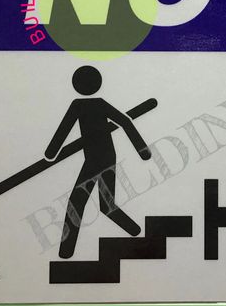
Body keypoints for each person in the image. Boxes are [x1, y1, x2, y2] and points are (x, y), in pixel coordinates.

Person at [44, 66, 152, 259]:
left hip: (96, 159)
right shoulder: (95, 104)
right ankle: (134, 230)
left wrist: (51, 153)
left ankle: (66, 251)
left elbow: (64, 130)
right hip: (106, 156)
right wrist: (142, 151)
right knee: (107, 206)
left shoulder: (79, 105)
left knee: (77, 202)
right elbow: (125, 122)